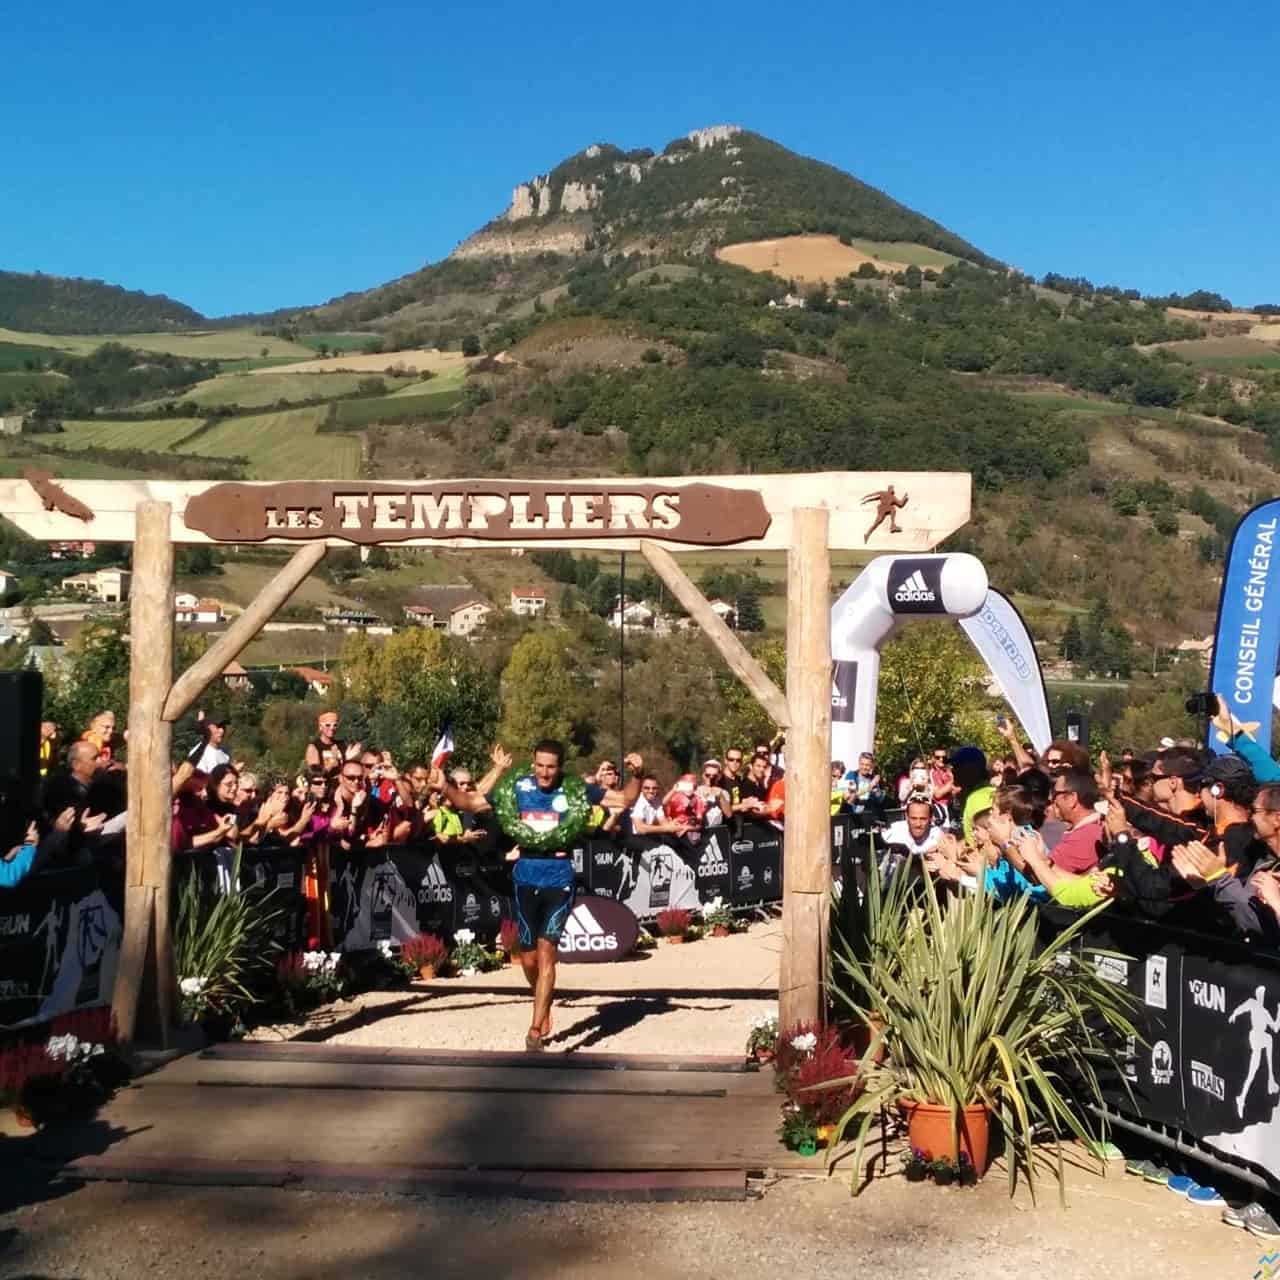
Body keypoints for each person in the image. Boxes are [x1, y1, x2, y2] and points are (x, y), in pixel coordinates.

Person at [436, 741, 643, 1052]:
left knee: (547, 952)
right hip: (525, 873)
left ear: (560, 767)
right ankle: (543, 1001)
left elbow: (625, 798)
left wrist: (638, 775)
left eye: (551, 766)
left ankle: (535, 1029)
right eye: (540, 765)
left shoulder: (575, 789)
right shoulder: (517, 788)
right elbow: (471, 802)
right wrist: (445, 787)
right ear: (533, 763)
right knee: (528, 956)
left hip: (559, 873)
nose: (545, 772)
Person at [950, 746, 993, 842]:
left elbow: (986, 843)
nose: (952, 771)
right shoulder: (973, 795)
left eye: (956, 766)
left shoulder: (980, 797)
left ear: (970, 769)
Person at [304, 711, 346, 776]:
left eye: (335, 725)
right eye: (328, 725)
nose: (332, 728)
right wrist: (332, 763)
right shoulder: (314, 747)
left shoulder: (341, 745)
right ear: (320, 727)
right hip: (325, 784)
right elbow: (315, 775)